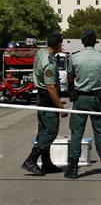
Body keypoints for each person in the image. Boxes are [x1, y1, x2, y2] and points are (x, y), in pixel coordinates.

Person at [65, 30, 101, 179]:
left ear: (83, 42)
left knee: (76, 133)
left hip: (80, 98)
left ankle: (73, 169)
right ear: (95, 41)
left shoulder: (75, 57)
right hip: (98, 99)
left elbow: (70, 76)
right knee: (100, 131)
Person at [22, 32, 68, 176]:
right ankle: (31, 160)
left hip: (42, 97)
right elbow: (50, 87)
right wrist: (60, 106)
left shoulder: (40, 53)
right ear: (58, 44)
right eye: (61, 43)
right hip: (47, 98)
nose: (62, 45)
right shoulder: (49, 63)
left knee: (43, 131)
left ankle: (46, 163)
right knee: (51, 131)